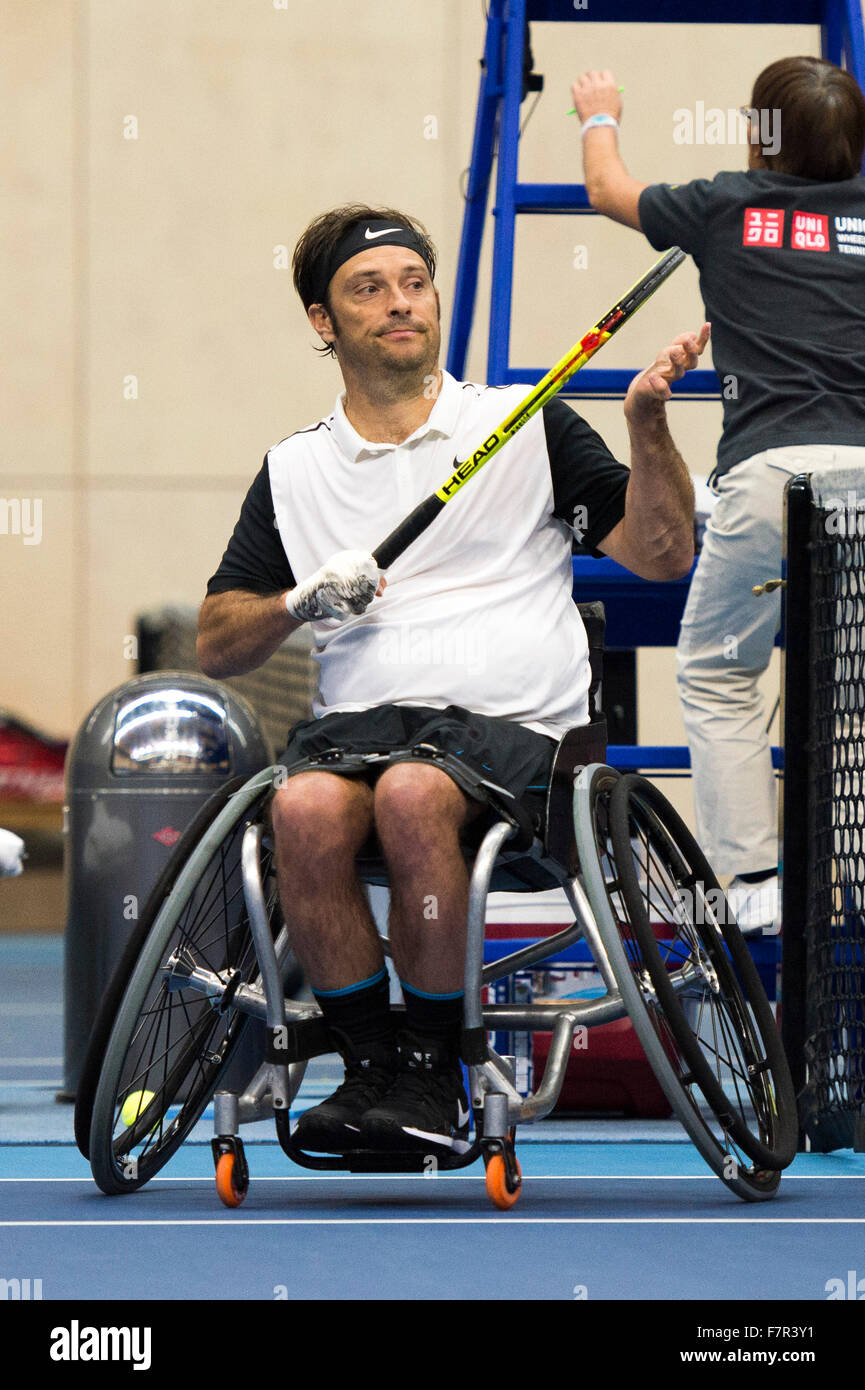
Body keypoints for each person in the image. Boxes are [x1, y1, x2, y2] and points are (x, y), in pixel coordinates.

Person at [197, 203, 705, 1155]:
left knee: (413, 790)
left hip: (512, 745)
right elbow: (218, 640)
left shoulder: (522, 424)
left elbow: (662, 553)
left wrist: (644, 428)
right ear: (322, 322)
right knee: (303, 811)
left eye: (414, 283)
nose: (400, 304)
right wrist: (297, 601)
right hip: (358, 730)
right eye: (368, 288)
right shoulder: (294, 470)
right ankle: (370, 1069)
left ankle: (433, 1070)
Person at [572, 56, 865, 931]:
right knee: (846, 684)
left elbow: (605, 188)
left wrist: (599, 113)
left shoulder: (723, 203)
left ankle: (750, 884)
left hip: (770, 479)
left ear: (756, 136)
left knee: (718, 670)